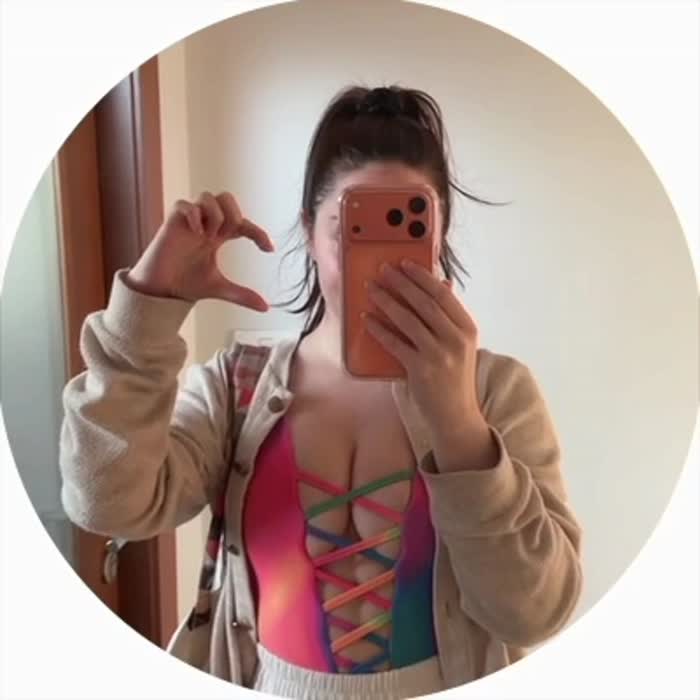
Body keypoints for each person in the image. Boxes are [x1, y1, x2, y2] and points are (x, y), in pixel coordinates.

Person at [60, 85, 583, 699]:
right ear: (309, 231)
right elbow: (106, 504)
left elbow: (536, 613)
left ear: (438, 237)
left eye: (408, 227)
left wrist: (460, 425)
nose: (384, 262)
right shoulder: (238, 386)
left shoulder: (496, 392)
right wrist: (145, 310)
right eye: (352, 229)